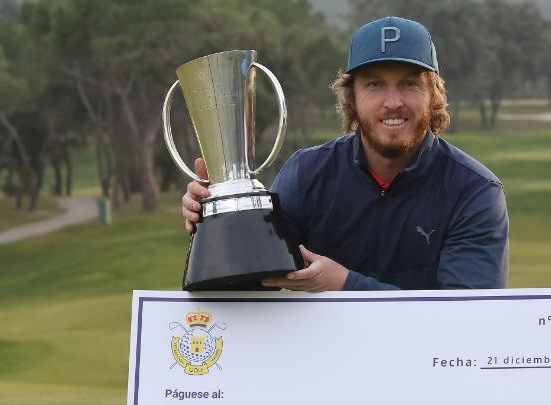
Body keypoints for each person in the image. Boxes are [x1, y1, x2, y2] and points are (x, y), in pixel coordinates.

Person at [182, 16, 509, 292]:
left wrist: (345, 285)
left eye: (410, 84)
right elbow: (250, 283)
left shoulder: (474, 191)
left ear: (433, 96)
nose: (393, 102)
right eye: (374, 84)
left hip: (429, 368)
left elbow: (467, 324)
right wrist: (217, 221)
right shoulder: (307, 173)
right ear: (351, 96)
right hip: (322, 365)